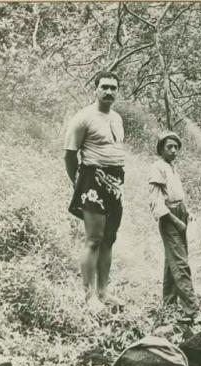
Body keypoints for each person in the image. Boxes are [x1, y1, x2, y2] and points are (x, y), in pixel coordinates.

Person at [64, 71, 125, 313]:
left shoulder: (117, 118)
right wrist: (77, 181)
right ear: (95, 89)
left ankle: (103, 292)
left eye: (113, 88)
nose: (109, 91)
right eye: (105, 87)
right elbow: (70, 154)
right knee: (94, 239)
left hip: (116, 182)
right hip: (92, 180)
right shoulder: (83, 117)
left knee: (109, 238)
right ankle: (89, 296)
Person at [148, 131, 198, 317]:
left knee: (173, 260)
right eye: (169, 146)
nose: (174, 150)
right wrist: (176, 221)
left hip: (180, 211)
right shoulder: (157, 167)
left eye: (176, 147)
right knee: (180, 262)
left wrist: (187, 214)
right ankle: (192, 309)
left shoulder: (171, 168)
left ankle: (168, 303)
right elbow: (157, 201)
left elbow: (177, 195)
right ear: (161, 149)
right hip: (169, 216)